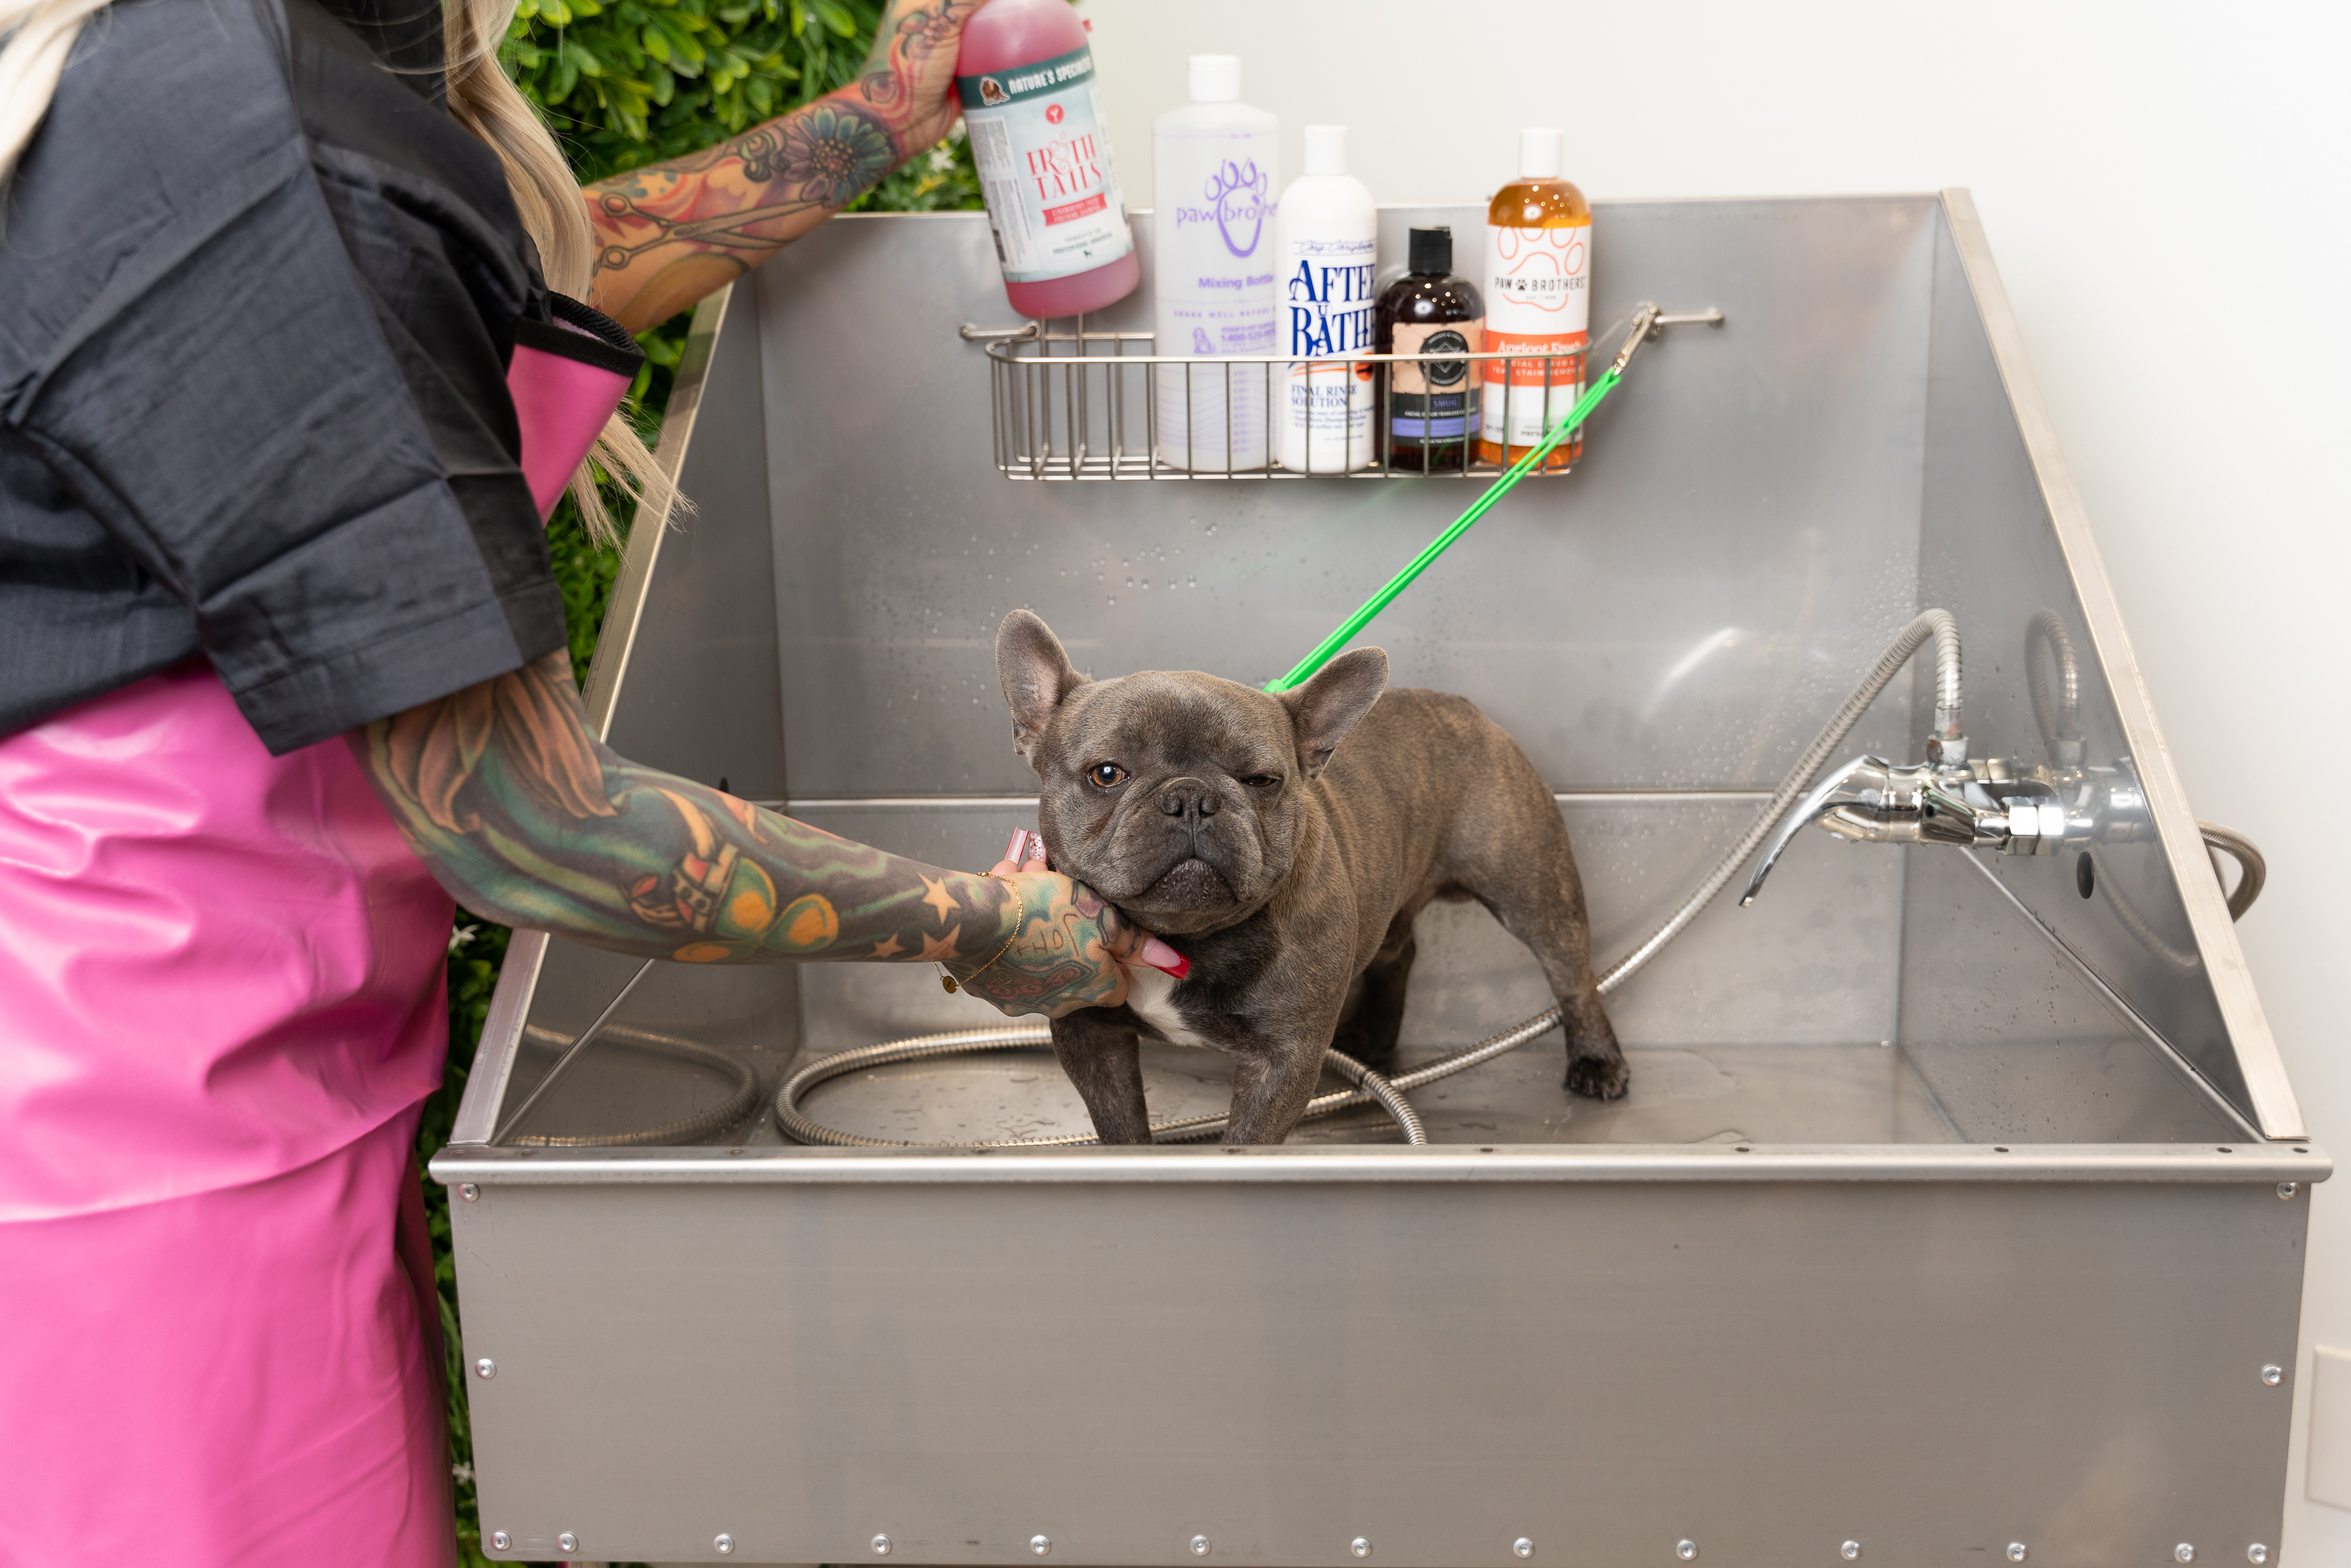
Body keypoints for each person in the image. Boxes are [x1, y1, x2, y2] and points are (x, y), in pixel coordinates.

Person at [0, 0, 1169, 1562]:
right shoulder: (241, 115)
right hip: (130, 1170)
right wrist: (987, 919)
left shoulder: (243, 69)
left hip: (239, 1091)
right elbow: (532, 823)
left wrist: (870, 126)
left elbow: (499, 296)